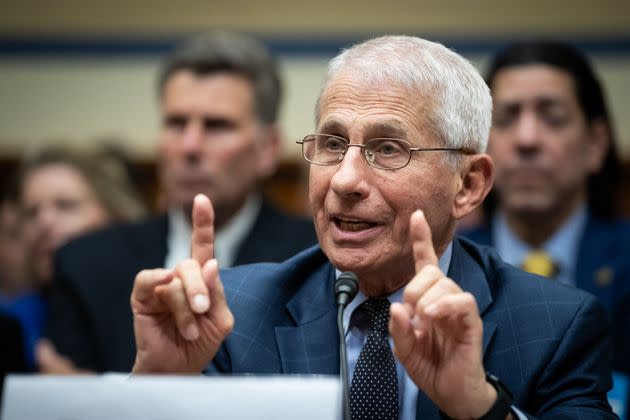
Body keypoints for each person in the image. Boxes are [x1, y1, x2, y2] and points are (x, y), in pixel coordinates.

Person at [130, 35, 615, 419]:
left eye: (388, 149)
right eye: (332, 144)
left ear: (468, 184)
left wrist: (479, 408)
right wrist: (156, 388)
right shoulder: (233, 317)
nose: (344, 179)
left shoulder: (554, 325)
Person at [45, 31, 318, 373]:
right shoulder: (86, 263)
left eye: (216, 126)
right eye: (176, 123)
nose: (190, 146)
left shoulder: (316, 259)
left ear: (268, 148)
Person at [461, 41, 630, 377]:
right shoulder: (447, 262)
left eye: (552, 118)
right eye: (506, 119)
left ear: (596, 143)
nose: (527, 139)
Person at [0, 146, 147, 372]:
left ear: (115, 215)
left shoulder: (146, 314)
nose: (44, 222)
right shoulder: (15, 318)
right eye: (31, 212)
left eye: (66, 205)